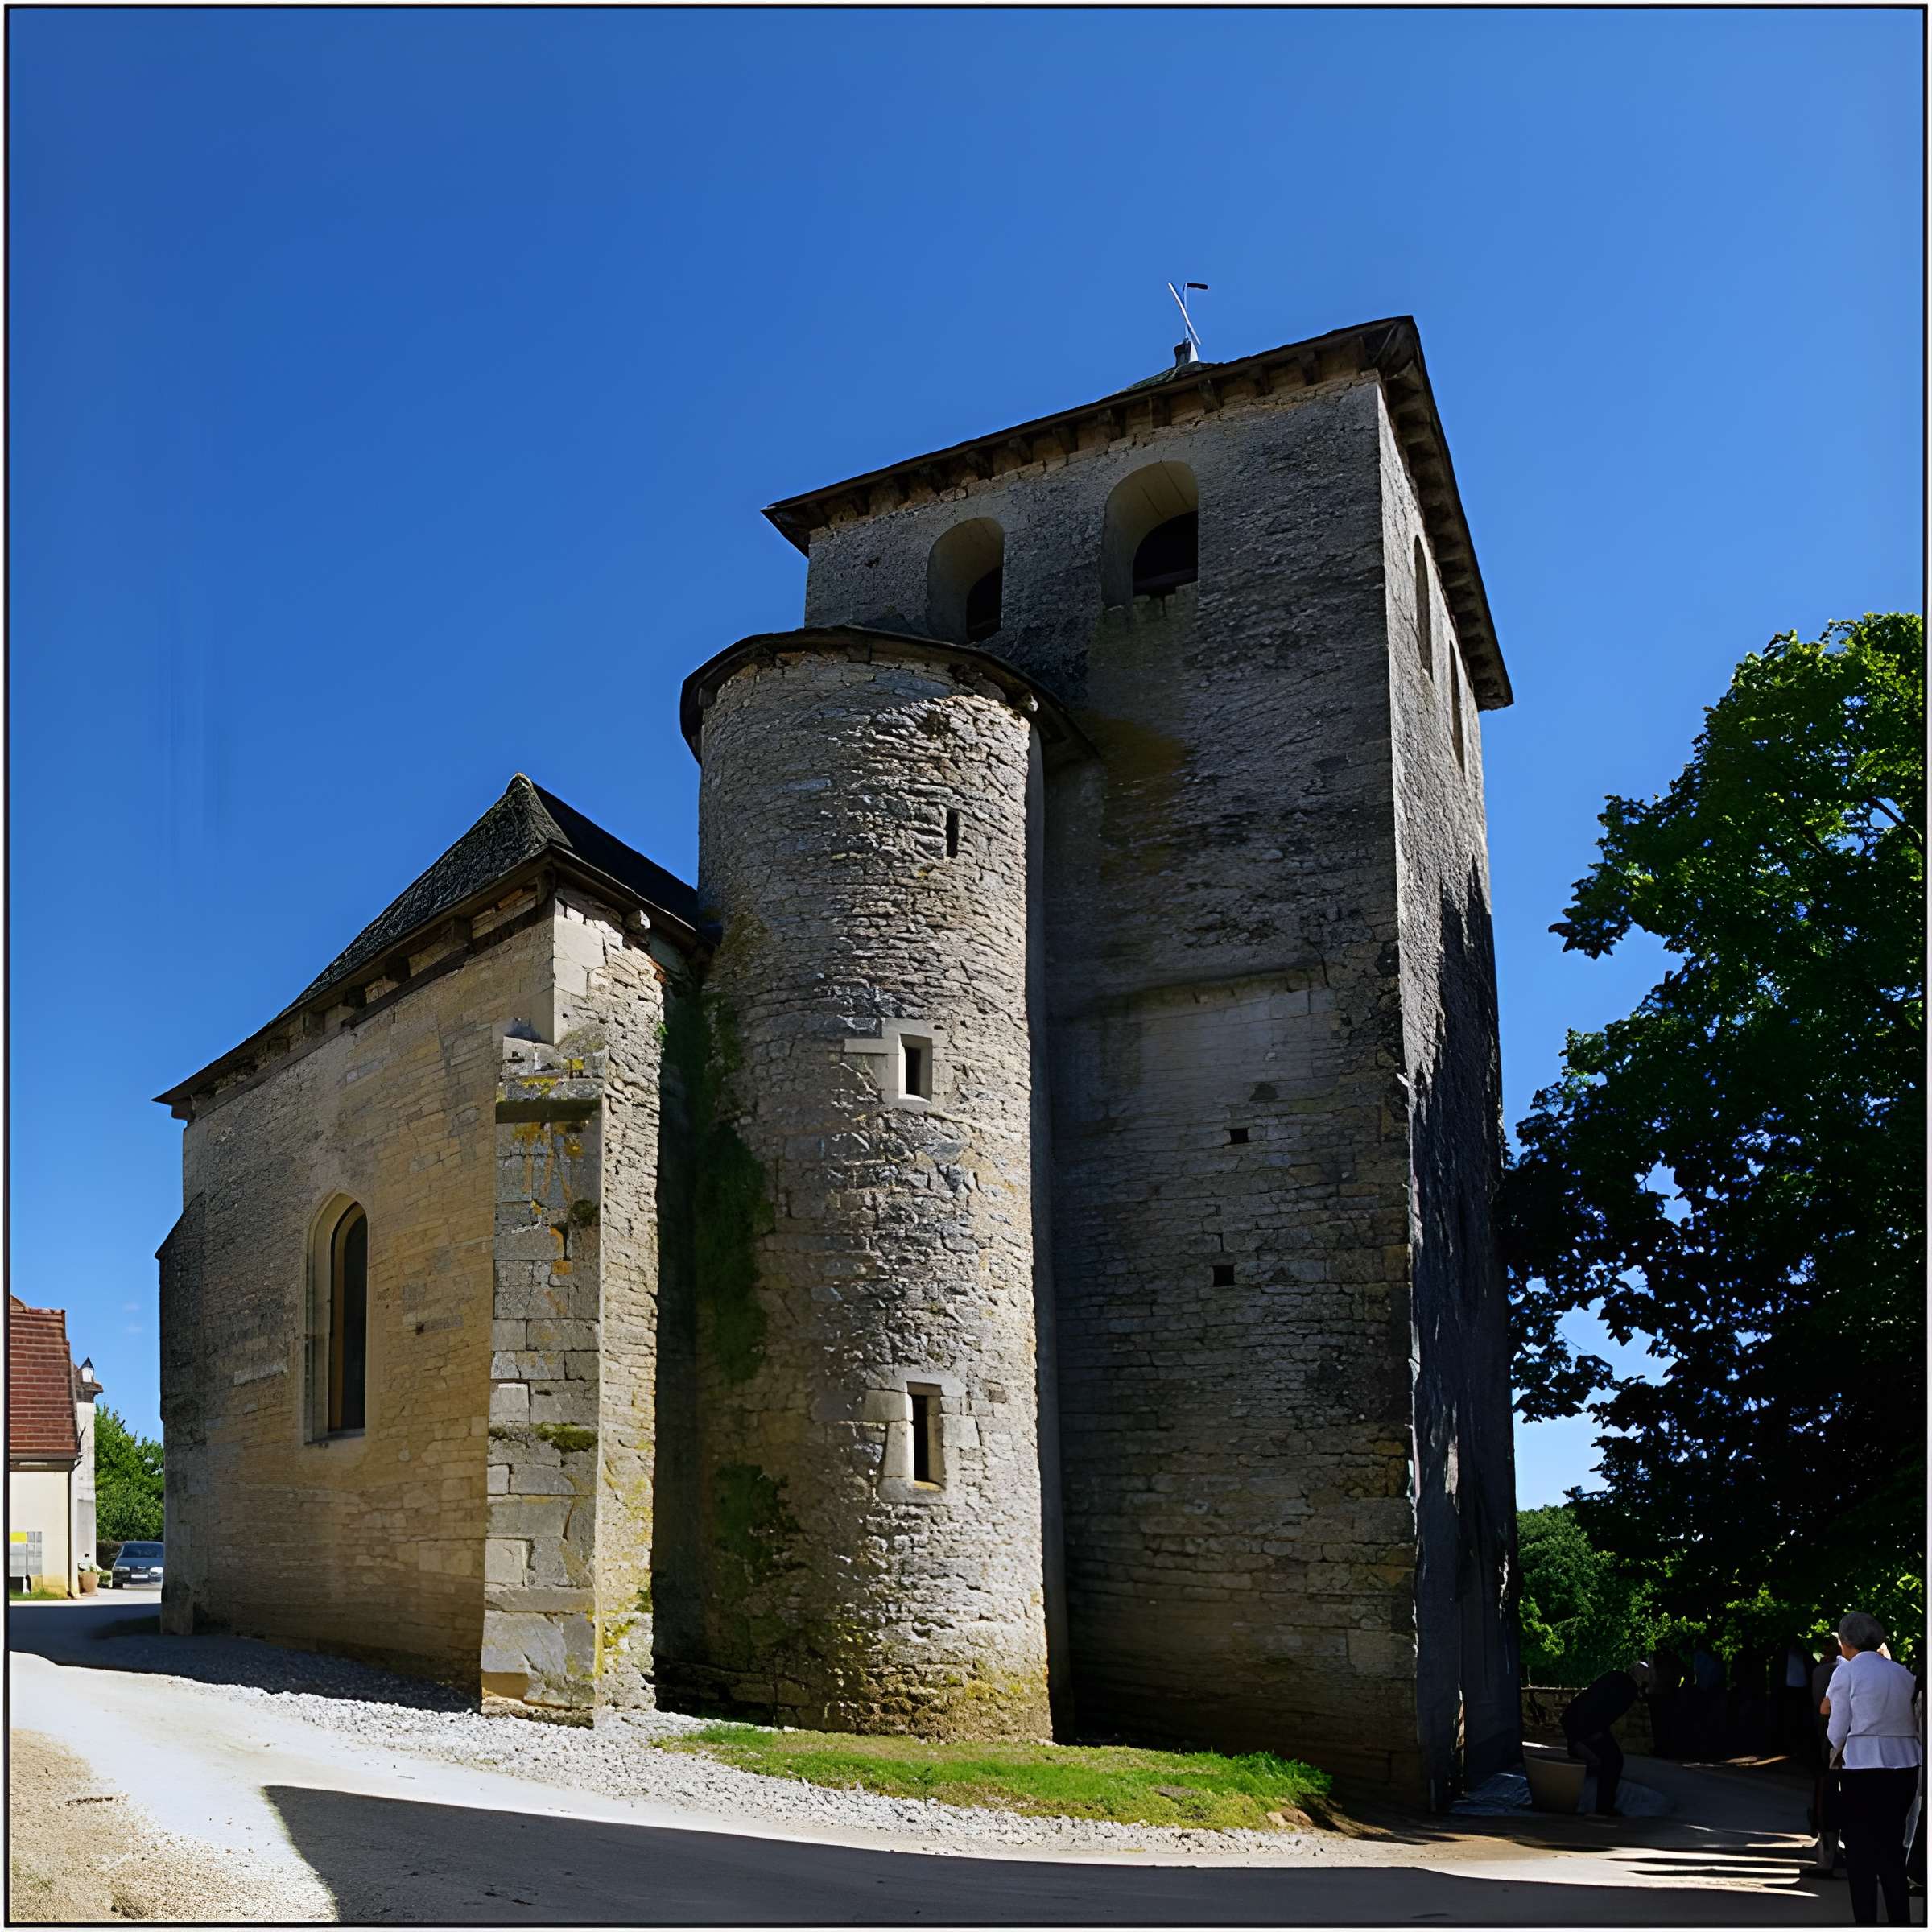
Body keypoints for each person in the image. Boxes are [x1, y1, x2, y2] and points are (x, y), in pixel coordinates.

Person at [1827, 1611, 1922, 1924]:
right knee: (1891, 1849)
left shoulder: (1847, 1672)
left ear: (1846, 1642)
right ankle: (1900, 1920)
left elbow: (1837, 1727)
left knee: (1860, 1852)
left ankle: (1866, 1921)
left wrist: (1835, 1752)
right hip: (1906, 1764)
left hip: (1864, 1766)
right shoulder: (1901, 1672)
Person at [1562, 1662, 1651, 1818]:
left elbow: (1595, 1700)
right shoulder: (1628, 1689)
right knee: (1614, 1760)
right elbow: (1607, 1710)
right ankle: (1604, 1806)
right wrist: (1595, 1732)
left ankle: (1573, 1795)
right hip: (1585, 1723)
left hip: (1573, 1718)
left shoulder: (1615, 1676)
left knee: (1594, 1756)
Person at [1816, 1645, 1848, 1877]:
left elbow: (1825, 1708)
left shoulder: (1839, 1672)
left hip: (1841, 1747)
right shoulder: (1900, 1675)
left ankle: (1828, 1859)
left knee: (1830, 1799)